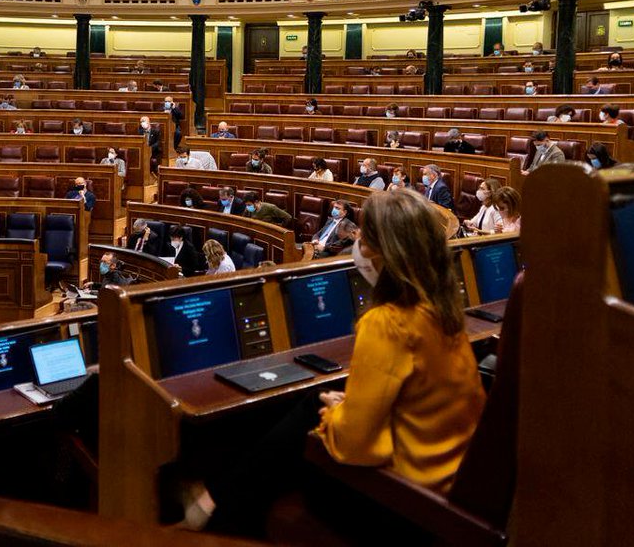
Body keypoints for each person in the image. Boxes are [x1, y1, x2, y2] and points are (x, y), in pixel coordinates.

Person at [180, 190, 486, 535]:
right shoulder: (442, 311)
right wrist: (350, 405)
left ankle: (217, 516)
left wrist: (335, 415)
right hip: (449, 480)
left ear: (388, 254)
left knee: (292, 440)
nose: (358, 244)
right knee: (310, 403)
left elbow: (355, 446)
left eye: (365, 237)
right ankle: (217, 505)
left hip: (405, 501)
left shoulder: (387, 322)